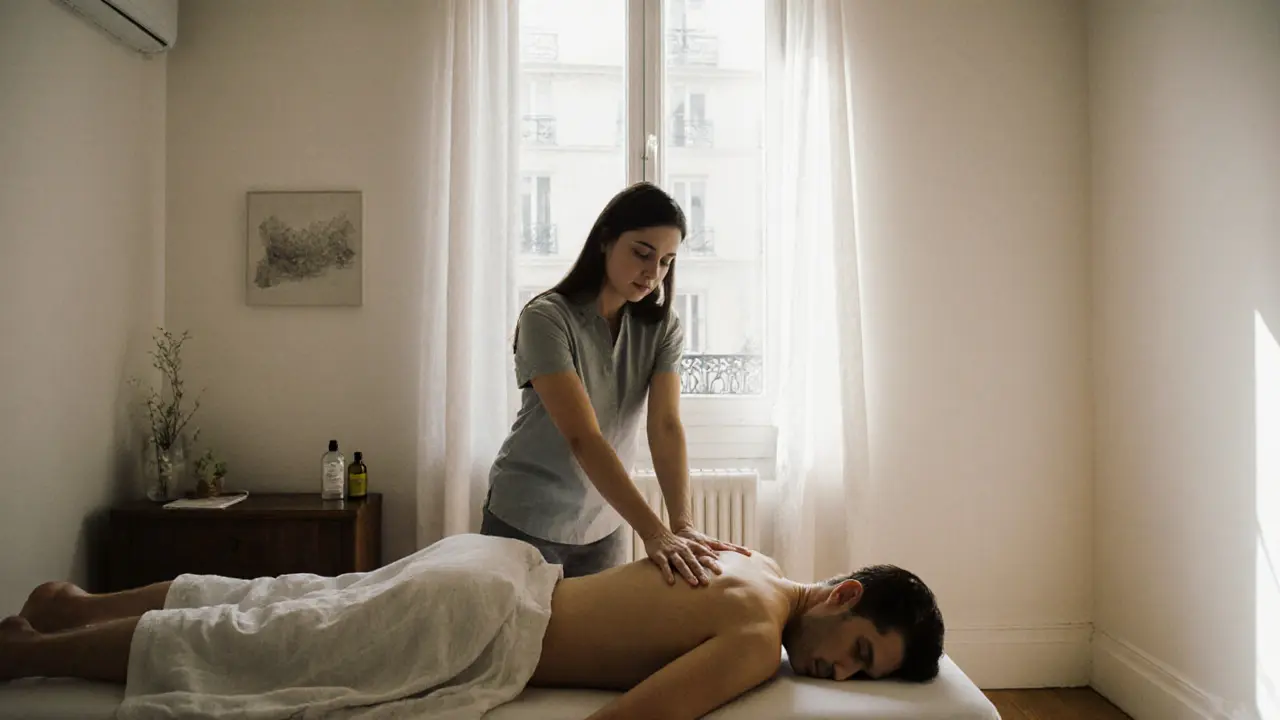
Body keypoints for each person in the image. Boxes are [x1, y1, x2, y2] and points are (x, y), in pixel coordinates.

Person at [2, 536, 945, 720]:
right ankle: (26, 655)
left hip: (496, 564)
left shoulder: (755, 561)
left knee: (284, 598)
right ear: (844, 594)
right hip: (487, 618)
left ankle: (74, 609)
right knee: (262, 648)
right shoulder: (753, 634)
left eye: (864, 679)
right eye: (858, 654)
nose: (838, 678)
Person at [484, 181, 748, 586]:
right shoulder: (545, 319)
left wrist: (682, 525)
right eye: (642, 253)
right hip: (527, 516)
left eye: (666, 262)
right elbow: (583, 437)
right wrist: (654, 532)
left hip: (604, 522)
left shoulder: (662, 328)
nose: (652, 272)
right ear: (605, 241)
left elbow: (665, 426)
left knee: (596, 648)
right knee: (524, 646)